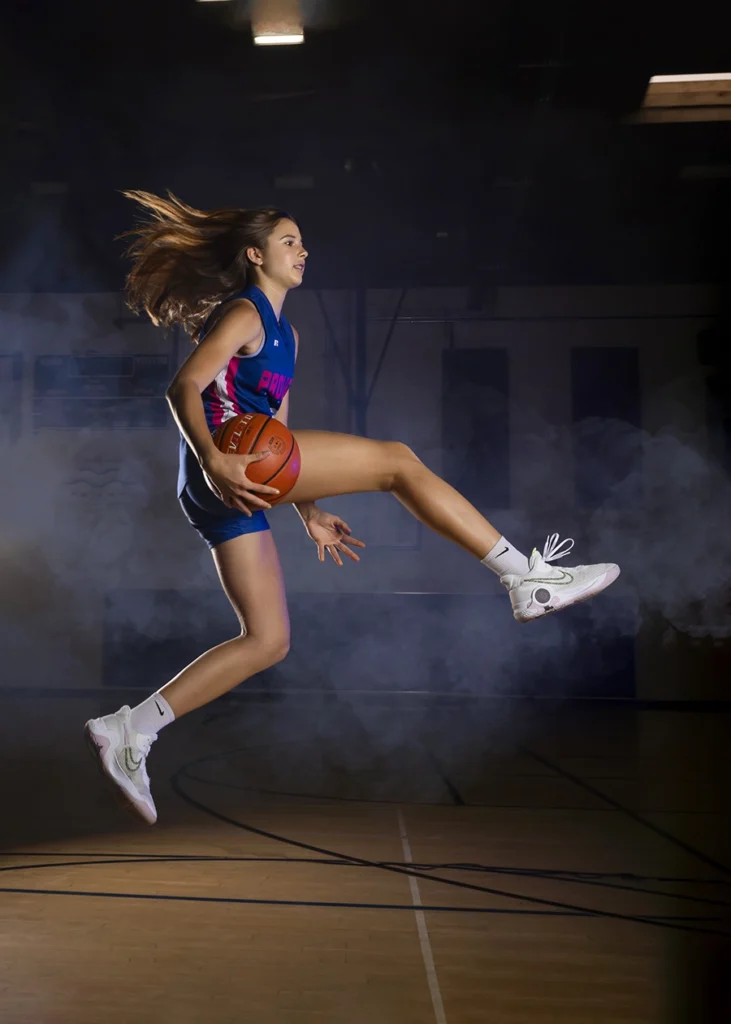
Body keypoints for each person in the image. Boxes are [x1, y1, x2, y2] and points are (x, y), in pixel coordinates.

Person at [84, 191, 620, 824]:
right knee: (397, 460)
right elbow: (184, 386)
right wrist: (212, 458)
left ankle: (132, 729)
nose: (302, 250)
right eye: (289, 241)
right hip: (226, 464)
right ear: (255, 254)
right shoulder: (245, 313)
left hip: (236, 479)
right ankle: (523, 577)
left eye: (302, 241)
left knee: (268, 640)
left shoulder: (288, 333)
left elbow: (277, 428)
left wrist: (306, 509)